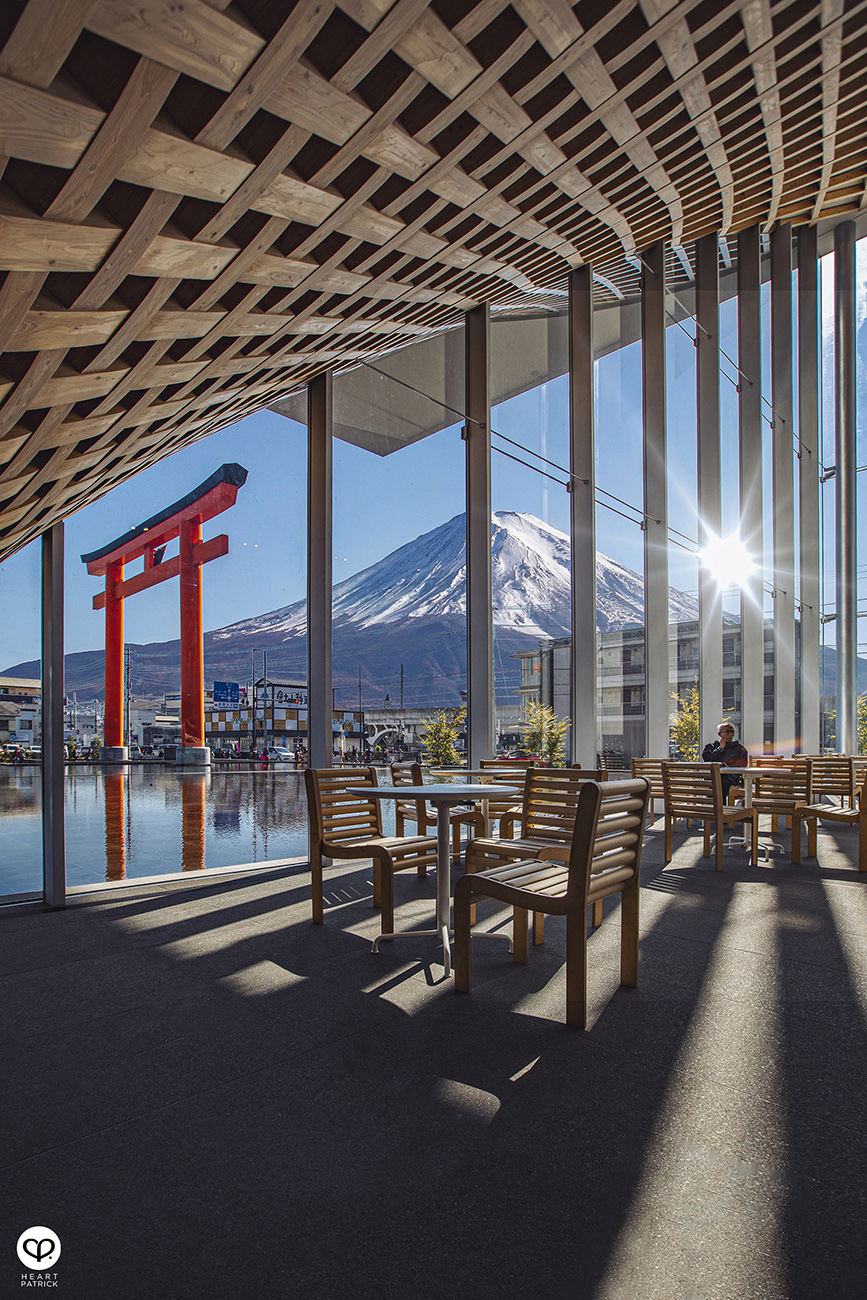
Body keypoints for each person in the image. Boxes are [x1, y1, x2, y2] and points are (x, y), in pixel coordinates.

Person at [702, 722, 748, 797]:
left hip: (730, 778)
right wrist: (720, 749)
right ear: (719, 734)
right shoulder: (711, 747)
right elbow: (708, 759)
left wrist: (728, 767)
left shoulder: (739, 749)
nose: (730, 734)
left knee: (720, 782)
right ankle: (714, 806)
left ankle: (718, 806)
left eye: (732, 732)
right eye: (727, 732)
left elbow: (742, 764)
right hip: (712, 777)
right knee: (715, 781)